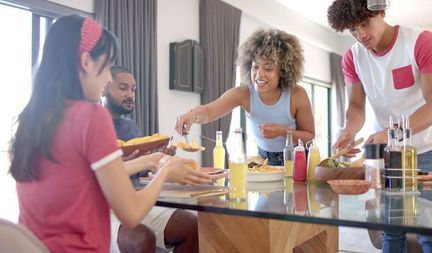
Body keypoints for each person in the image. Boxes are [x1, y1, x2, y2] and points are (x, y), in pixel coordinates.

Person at [8, 15, 210, 253]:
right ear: (86, 62)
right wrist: (165, 171)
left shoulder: (30, 120)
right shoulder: (91, 116)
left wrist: (149, 160)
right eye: (105, 67)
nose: (106, 79)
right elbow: (132, 213)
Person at [327, 1, 432, 252]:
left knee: (431, 233)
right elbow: (356, 107)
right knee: (391, 233)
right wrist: (349, 132)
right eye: (352, 29)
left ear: (381, 11)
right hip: (388, 156)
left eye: (364, 23)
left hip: (427, 149)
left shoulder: (422, 42)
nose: (360, 34)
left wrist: (391, 133)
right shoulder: (352, 58)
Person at [175, 29, 315, 166]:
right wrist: (192, 115)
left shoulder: (297, 94)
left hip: (298, 159)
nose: (259, 74)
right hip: (264, 160)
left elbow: (309, 135)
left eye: (268, 69)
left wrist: (283, 132)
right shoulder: (244, 93)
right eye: (255, 67)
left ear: (283, 71)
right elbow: (209, 111)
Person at [105, 65, 199, 253]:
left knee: (189, 224)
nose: (130, 94)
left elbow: (140, 173)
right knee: (141, 239)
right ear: (104, 87)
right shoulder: (95, 122)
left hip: (130, 200)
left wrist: (157, 158)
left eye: (133, 89)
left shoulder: (130, 127)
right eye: (123, 88)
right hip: (102, 208)